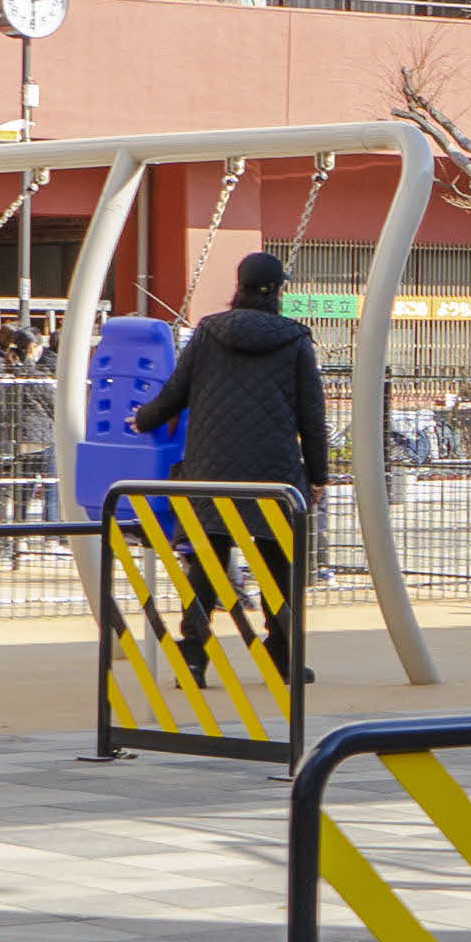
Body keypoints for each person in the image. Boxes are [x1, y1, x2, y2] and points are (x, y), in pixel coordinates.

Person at [131, 248, 329, 681]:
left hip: (210, 470)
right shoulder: (295, 339)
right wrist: (318, 476)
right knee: (278, 562)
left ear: (237, 286)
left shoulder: (208, 332)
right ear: (278, 290)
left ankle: (195, 654)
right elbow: (312, 415)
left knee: (206, 560)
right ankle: (282, 653)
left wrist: (141, 419)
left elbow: (175, 392)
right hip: (274, 473)